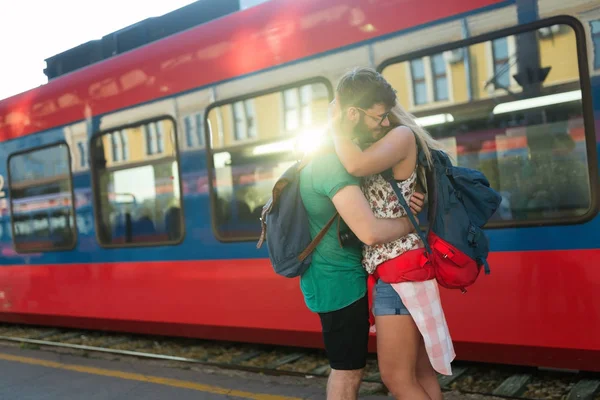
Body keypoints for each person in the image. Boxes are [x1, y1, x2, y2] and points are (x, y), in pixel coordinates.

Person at [331, 67, 455, 400]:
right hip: (402, 271)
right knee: (419, 373)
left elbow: (355, 167)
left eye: (385, 115)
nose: (384, 122)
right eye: (377, 117)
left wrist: (334, 124)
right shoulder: (375, 143)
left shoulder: (400, 137)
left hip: (399, 272)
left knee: (396, 378)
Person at [298, 112, 426, 399]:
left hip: (344, 278)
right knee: (349, 370)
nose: (380, 126)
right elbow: (369, 232)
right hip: (340, 283)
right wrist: (413, 221)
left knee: (407, 374)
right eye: (376, 116)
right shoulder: (332, 163)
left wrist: (415, 196)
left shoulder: (329, 158)